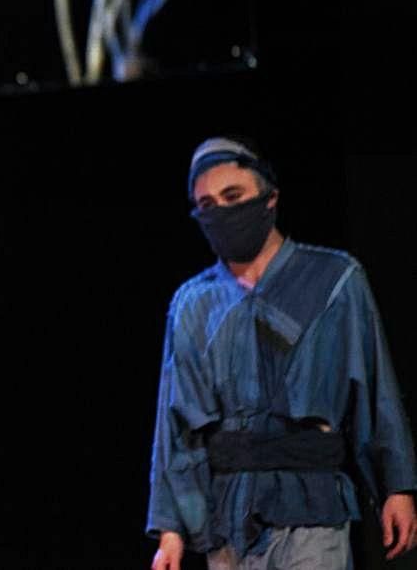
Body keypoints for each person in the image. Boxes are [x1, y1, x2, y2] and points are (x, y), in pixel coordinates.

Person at [146, 137, 417, 570]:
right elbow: (175, 426)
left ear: (270, 197)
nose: (221, 212)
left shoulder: (334, 282)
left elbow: (375, 388)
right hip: (228, 520)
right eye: (207, 205)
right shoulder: (193, 304)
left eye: (233, 197)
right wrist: (171, 530)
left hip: (312, 508)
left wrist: (396, 487)